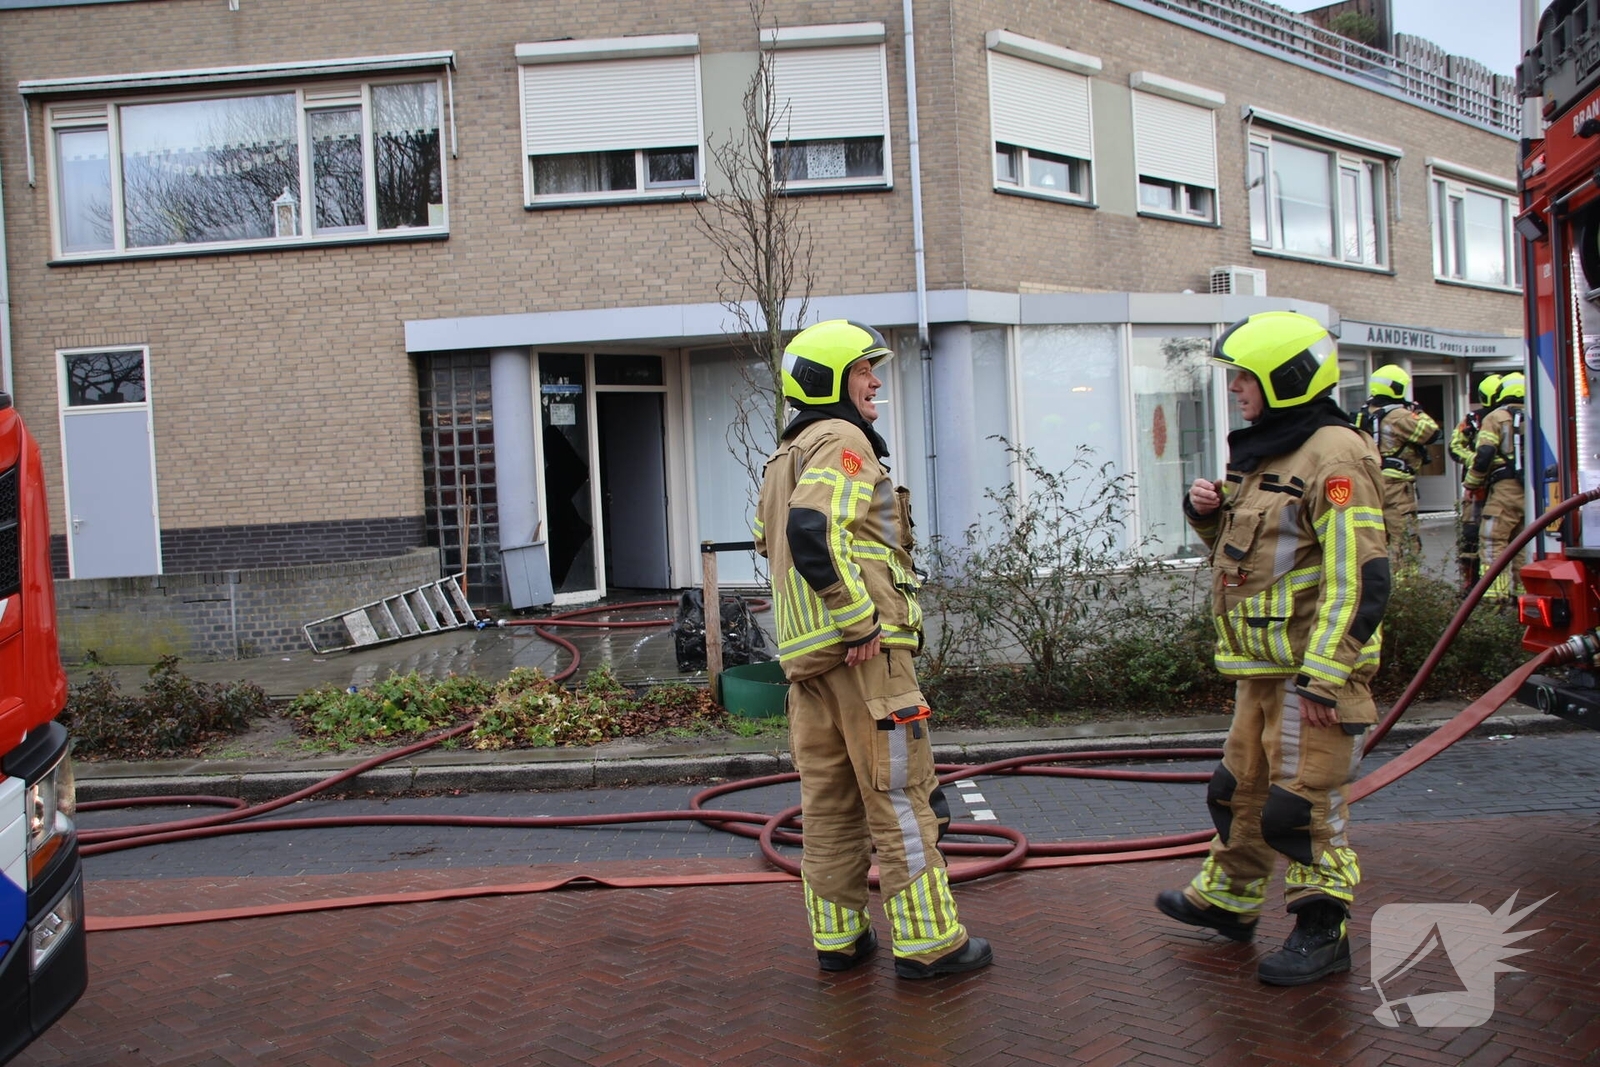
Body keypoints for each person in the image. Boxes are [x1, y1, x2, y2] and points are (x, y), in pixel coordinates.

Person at [1155, 311, 1391, 986]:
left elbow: (1361, 574)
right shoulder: (1272, 451)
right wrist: (1208, 516)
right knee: (1241, 791)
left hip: (1308, 676)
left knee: (1302, 806)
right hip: (1262, 669)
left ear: (1284, 379)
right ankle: (1229, 902)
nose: (1235, 389)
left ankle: (1324, 931)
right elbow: (1256, 556)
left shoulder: (1336, 456)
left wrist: (1326, 678)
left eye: (1244, 377)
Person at [752, 319, 993, 980]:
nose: (875, 381)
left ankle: (839, 938)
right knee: (900, 795)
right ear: (833, 379)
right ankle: (930, 942)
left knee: (829, 804)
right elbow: (813, 531)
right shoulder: (843, 440)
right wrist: (861, 623)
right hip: (865, 662)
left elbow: (772, 537)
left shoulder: (784, 457)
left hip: (810, 669)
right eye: (864, 370)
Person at [1355, 364, 1440, 570]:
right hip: (1396, 485)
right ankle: (1405, 586)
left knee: (1377, 538)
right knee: (1404, 537)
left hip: (1370, 480)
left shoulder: (1364, 413)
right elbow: (1431, 433)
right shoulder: (1399, 415)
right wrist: (1419, 411)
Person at [1464, 372, 1527, 599]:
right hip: (1532, 490)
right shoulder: (1538, 414)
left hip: (1505, 490)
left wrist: (1473, 481)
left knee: (1493, 540)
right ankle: (1522, 597)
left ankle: (1496, 597)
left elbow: (1485, 453)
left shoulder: (1496, 416)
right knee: (1522, 544)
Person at [1449, 374, 1503, 591]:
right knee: (1471, 537)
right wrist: (1476, 458)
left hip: (1501, 487)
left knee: (1499, 538)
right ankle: (1470, 584)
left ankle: (1498, 587)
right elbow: (1454, 446)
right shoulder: (1473, 420)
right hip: (1477, 490)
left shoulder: (1512, 418)